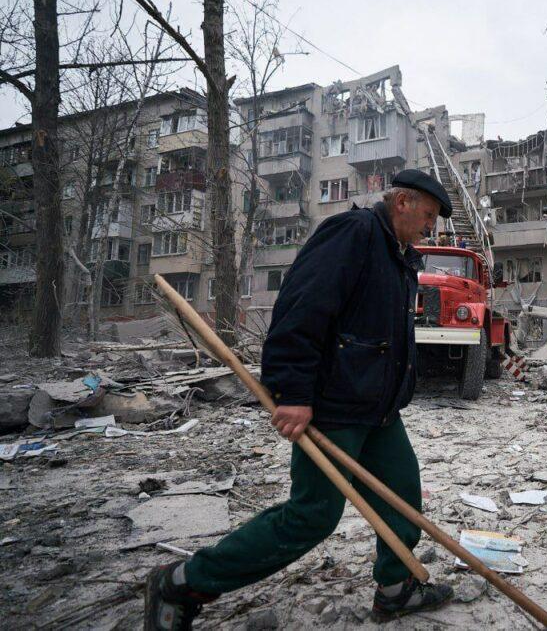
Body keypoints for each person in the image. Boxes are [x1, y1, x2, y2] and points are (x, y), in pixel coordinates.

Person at [144, 170, 456, 629]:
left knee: (402, 493)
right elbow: (302, 306)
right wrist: (291, 391)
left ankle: (397, 588)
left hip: (379, 410)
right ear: (403, 202)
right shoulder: (355, 232)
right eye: (428, 214)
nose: (433, 226)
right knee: (312, 517)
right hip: (335, 406)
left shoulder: (400, 257)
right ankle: (183, 582)